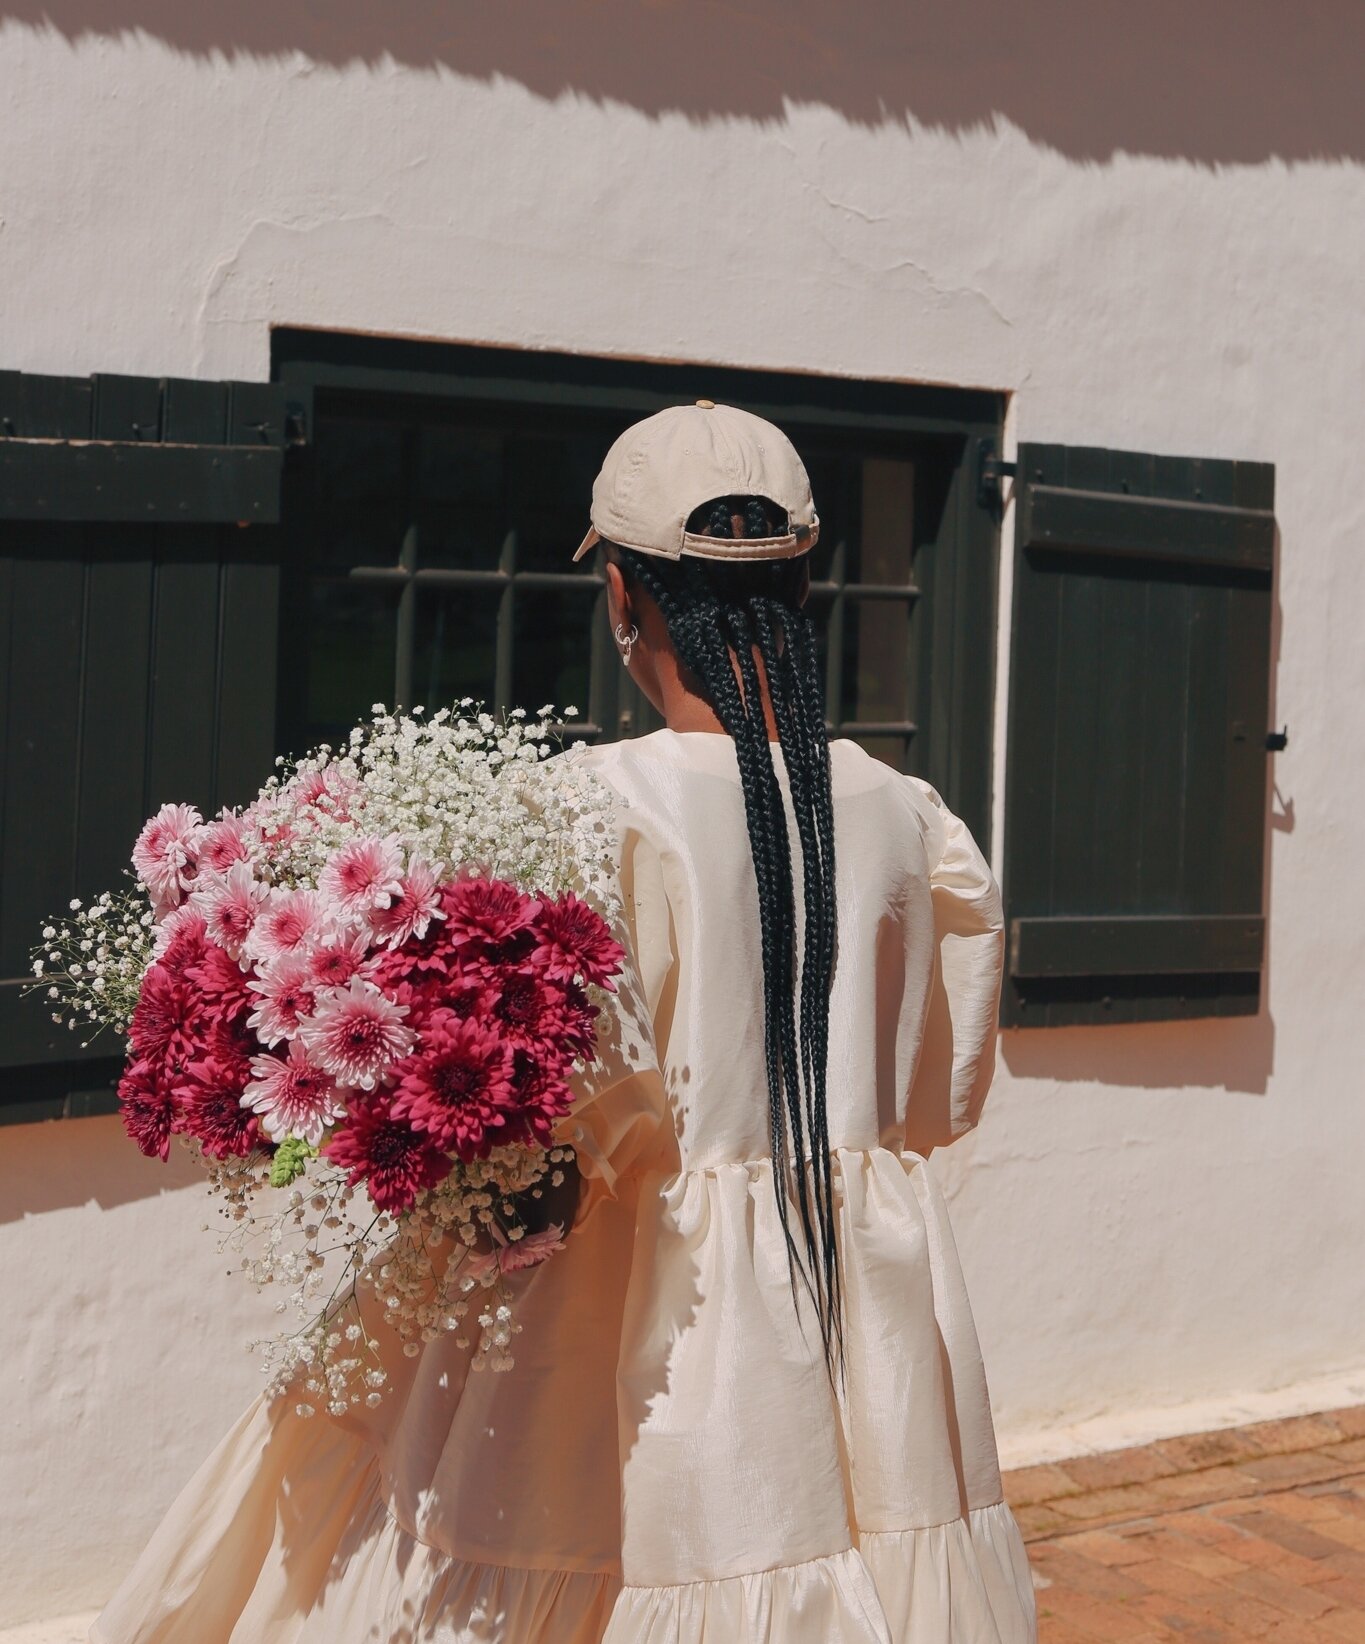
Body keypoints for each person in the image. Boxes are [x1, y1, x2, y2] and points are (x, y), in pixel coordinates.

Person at [93, 402, 1037, 1643]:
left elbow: (542, 1106)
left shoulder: (580, 807)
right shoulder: (908, 816)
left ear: (625, 602)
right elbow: (938, 1094)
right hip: (853, 1295)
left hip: (606, 1300)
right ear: (800, 587)